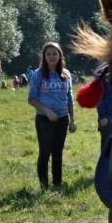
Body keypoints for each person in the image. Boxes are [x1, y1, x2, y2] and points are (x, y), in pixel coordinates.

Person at [28, 42, 76, 189]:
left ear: (60, 55)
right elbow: (31, 99)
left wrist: (72, 120)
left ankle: (57, 184)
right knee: (45, 152)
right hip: (44, 120)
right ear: (44, 57)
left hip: (62, 119)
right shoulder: (38, 75)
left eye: (54, 53)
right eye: (48, 54)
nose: (51, 56)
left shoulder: (66, 74)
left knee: (58, 152)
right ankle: (44, 185)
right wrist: (47, 111)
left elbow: (70, 98)